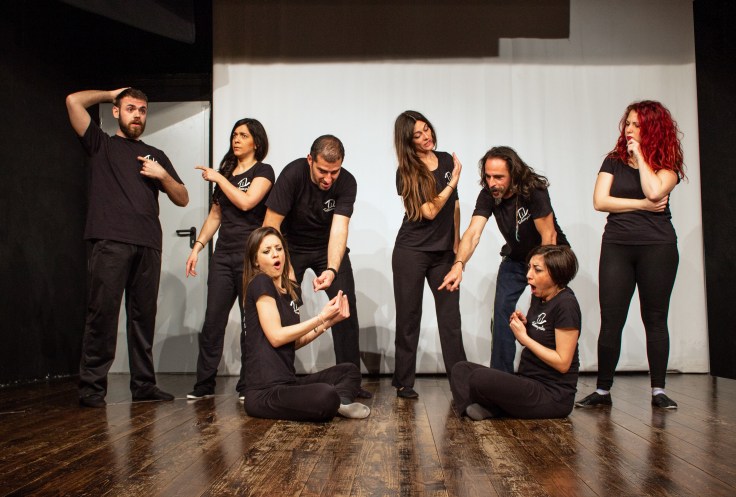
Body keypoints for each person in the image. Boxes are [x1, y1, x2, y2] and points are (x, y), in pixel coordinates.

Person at [66, 88, 189, 408]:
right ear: (117, 112)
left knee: (143, 319)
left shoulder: (155, 155)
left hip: (148, 244)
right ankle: (92, 388)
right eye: (131, 108)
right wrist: (110, 93)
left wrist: (162, 175)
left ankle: (144, 385)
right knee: (102, 315)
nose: (137, 115)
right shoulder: (101, 144)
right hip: (110, 241)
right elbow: (73, 101)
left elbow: (183, 197)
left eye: (142, 110)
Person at [576, 100, 686, 410]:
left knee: (655, 318)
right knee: (612, 319)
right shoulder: (613, 161)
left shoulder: (667, 164)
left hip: (658, 247)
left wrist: (641, 157)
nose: (629, 129)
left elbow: (654, 191)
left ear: (653, 128)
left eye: (637, 125)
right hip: (618, 245)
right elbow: (600, 201)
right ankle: (602, 390)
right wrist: (641, 206)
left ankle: (658, 390)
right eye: (628, 123)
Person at [440, 146, 568, 374]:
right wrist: (459, 264)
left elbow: (549, 237)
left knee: (540, 317)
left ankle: (542, 375)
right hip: (516, 259)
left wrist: (539, 274)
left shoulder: (533, 190)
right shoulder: (489, 194)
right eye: (488, 176)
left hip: (549, 258)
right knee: (501, 315)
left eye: (499, 177)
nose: (492, 183)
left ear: (514, 174)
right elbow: (473, 233)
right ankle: (501, 378)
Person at [263, 135, 370, 398]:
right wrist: (284, 267)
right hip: (291, 247)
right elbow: (270, 226)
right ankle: (275, 380)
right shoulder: (293, 175)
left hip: (327, 248)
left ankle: (350, 383)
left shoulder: (347, 182)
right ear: (310, 159)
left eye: (335, 172)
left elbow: (339, 229)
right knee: (285, 312)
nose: (328, 178)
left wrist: (332, 269)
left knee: (345, 310)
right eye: (323, 171)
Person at [185, 119, 274, 401]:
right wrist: (198, 247)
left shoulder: (263, 171)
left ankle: (248, 385)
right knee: (213, 321)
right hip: (223, 256)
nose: (236, 139)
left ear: (256, 142)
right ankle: (204, 385)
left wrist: (219, 179)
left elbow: (247, 202)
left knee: (251, 324)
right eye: (234, 134)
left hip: (251, 257)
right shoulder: (225, 172)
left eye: (243, 135)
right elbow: (215, 216)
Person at [241, 227, 370, 421]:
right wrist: (321, 317)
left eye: (278, 248)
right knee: (325, 395)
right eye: (267, 251)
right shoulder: (260, 282)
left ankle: (340, 404)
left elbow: (295, 342)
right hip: (264, 393)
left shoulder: (289, 290)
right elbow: (276, 337)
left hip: (288, 383)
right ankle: (334, 402)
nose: (275, 254)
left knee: (350, 371)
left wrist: (330, 321)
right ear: (255, 261)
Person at [450, 245, 581, 420]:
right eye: (529, 268)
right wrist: (525, 327)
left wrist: (524, 338)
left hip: (553, 395)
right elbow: (542, 337)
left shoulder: (566, 305)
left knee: (479, 378)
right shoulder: (539, 296)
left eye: (537, 270)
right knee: (460, 369)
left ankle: (493, 408)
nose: (528, 275)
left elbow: (563, 363)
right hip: (527, 381)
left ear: (556, 274)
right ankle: (485, 408)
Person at [391, 111, 467, 399]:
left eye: (426, 129)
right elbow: (430, 211)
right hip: (411, 251)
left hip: (443, 253)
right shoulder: (406, 171)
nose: (426, 137)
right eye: (418, 135)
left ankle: (462, 383)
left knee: (450, 319)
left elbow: (454, 206)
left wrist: (456, 245)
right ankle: (403, 382)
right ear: (408, 141)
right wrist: (453, 181)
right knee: (409, 317)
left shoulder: (446, 160)